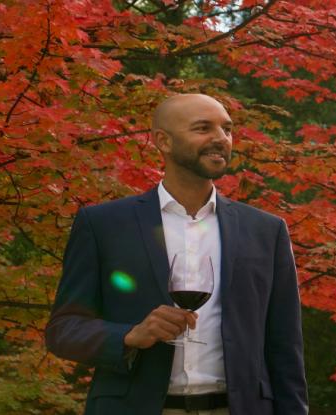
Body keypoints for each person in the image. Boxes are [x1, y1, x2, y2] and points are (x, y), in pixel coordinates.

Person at [46, 94, 308, 415]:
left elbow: (285, 346)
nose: (220, 139)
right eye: (203, 128)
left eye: (227, 129)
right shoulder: (103, 225)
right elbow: (63, 331)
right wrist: (129, 335)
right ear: (163, 141)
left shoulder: (267, 231)